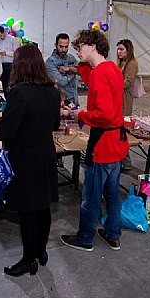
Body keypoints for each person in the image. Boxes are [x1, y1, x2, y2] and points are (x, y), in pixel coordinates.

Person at [60, 29, 129, 252]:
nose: (77, 51)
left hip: (103, 143)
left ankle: (86, 238)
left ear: (93, 46)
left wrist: (80, 115)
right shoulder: (112, 68)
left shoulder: (100, 73)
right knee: (111, 193)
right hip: (116, 141)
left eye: (80, 47)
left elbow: (104, 115)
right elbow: (88, 77)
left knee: (91, 196)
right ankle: (113, 233)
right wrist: (83, 61)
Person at [0, 44, 60, 277]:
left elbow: (6, 132)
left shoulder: (19, 93)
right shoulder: (52, 91)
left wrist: (0, 119)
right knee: (43, 208)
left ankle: (28, 259)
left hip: (25, 160)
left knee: (27, 214)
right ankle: (40, 251)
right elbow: (55, 124)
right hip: (46, 156)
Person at [116, 39, 139, 171]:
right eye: (118, 49)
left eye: (122, 49)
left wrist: (112, 82)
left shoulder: (132, 63)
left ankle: (125, 161)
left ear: (128, 50)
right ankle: (123, 160)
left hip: (125, 100)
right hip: (118, 98)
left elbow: (128, 83)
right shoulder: (122, 62)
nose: (119, 52)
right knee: (119, 131)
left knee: (122, 130)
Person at [46, 33, 78, 105]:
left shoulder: (71, 57)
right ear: (55, 45)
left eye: (66, 47)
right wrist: (73, 74)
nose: (64, 50)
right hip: (61, 102)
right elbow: (61, 81)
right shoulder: (50, 62)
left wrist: (69, 68)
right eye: (61, 46)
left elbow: (81, 71)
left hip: (74, 99)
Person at [0, 25, 19, 93]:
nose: (0, 37)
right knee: (4, 82)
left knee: (11, 82)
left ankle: (12, 95)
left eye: (1, 35)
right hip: (1, 64)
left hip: (10, 64)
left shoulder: (12, 39)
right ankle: (6, 96)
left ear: (4, 32)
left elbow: (17, 53)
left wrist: (7, 53)